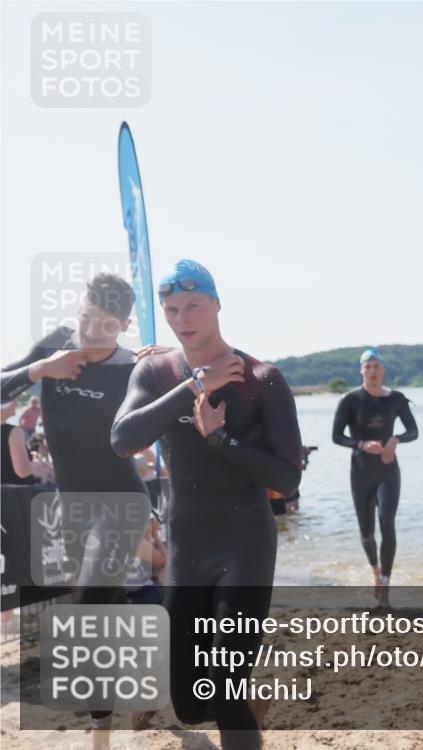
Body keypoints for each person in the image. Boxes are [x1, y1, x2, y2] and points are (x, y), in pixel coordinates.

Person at [111, 259, 303, 750]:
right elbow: (122, 438)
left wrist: (220, 440)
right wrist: (195, 383)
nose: (182, 318)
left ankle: (240, 709)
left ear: (217, 303)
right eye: (172, 309)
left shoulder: (263, 378)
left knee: (222, 686)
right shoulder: (155, 373)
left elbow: (287, 477)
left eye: (193, 305)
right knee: (191, 702)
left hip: (246, 547)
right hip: (188, 551)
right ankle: (248, 708)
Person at [1, 273, 152, 749]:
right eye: (86, 318)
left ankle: (99, 738)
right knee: (102, 611)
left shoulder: (135, 367)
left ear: (124, 324)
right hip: (72, 508)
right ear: (79, 308)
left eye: (105, 325)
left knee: (86, 611)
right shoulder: (57, 347)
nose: (90, 332)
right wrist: (39, 370)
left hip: (122, 504)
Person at [332, 348, 418, 607]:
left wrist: (395, 440)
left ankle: (386, 583)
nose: (372, 371)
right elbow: (337, 436)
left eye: (376, 366)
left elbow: (413, 430)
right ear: (361, 371)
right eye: (367, 366)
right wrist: (360, 444)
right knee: (367, 532)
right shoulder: (350, 400)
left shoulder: (396, 399)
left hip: (387, 469)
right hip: (361, 473)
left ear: (383, 370)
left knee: (387, 522)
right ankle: (375, 571)